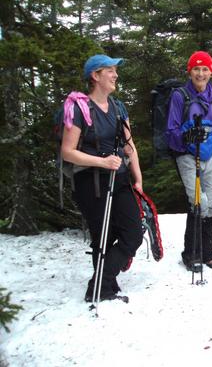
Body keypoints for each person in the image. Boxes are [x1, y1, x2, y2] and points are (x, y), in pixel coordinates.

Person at [61, 54, 143, 302]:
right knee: (103, 236)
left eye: (115, 70)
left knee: (133, 234)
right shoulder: (79, 108)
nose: (115, 74)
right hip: (90, 183)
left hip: (119, 179)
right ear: (95, 76)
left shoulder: (118, 107)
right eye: (110, 70)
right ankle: (104, 287)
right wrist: (102, 162)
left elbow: (129, 147)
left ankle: (100, 282)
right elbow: (68, 151)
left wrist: (138, 179)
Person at [166, 50, 212, 272]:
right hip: (187, 154)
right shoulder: (180, 96)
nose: (200, 73)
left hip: (210, 154)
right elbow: (171, 130)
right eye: (196, 68)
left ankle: (208, 254)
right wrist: (185, 137)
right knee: (198, 201)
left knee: (211, 202)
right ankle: (191, 254)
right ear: (189, 71)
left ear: (211, 72)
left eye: (205, 69)